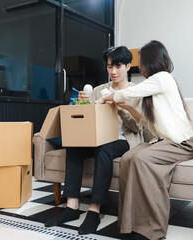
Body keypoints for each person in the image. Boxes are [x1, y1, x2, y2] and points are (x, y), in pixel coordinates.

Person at [95, 40, 193, 240]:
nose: (139, 66)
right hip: (163, 141)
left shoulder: (163, 78)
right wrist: (128, 108)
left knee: (142, 160)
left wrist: (104, 98)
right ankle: (130, 223)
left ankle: (152, 230)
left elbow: (129, 91)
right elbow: (147, 123)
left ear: (150, 61)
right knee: (127, 158)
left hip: (183, 143)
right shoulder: (154, 87)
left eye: (141, 62)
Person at [45, 46, 143, 235]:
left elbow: (139, 127)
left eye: (118, 66)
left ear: (129, 66)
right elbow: (87, 120)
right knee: (73, 146)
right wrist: (80, 102)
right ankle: (72, 207)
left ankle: (94, 210)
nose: (113, 71)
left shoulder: (136, 92)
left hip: (122, 139)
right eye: (109, 67)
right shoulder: (99, 90)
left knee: (105, 149)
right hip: (96, 138)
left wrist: (121, 108)